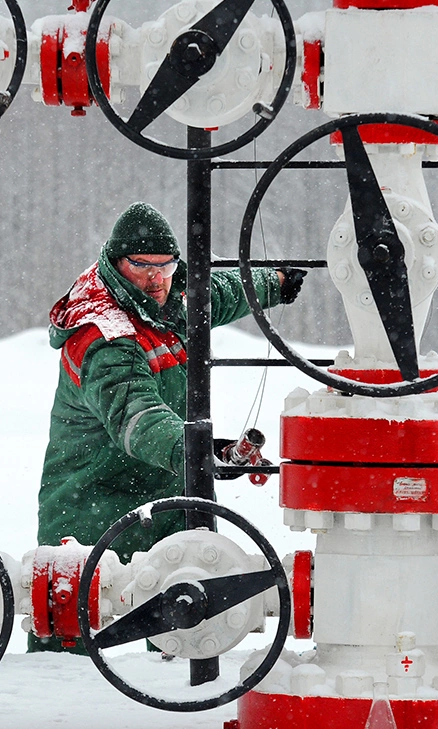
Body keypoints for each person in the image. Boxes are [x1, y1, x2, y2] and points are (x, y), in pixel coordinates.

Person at [31, 202, 304, 652]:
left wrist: (271, 283)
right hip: (92, 508)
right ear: (117, 263)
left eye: (167, 267)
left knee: (183, 635)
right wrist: (194, 451)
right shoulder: (103, 335)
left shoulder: (168, 299)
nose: (158, 280)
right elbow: (137, 418)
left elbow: (216, 292)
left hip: (165, 502)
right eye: (142, 267)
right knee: (74, 641)